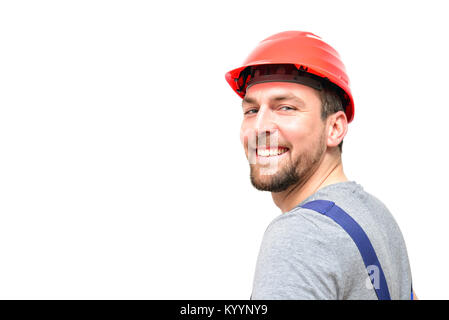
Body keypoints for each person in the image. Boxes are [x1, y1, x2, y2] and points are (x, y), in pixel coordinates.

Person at [225, 31, 416, 300]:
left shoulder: (300, 235)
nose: (259, 128)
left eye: (286, 108)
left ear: (335, 128)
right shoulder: (376, 214)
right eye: (251, 111)